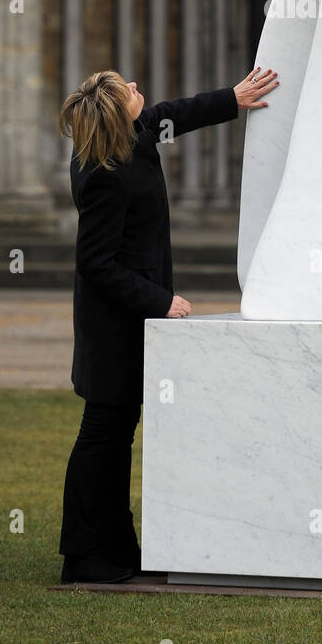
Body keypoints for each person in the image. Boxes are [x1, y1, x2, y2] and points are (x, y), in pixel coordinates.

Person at [56, 65, 279, 584]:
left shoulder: (131, 138)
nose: (138, 89)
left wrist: (234, 97)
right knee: (102, 436)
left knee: (117, 436)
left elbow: (173, 114)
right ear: (118, 112)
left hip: (132, 322)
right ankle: (85, 556)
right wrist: (161, 301)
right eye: (128, 90)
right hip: (114, 328)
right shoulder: (105, 176)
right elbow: (97, 263)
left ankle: (115, 549)